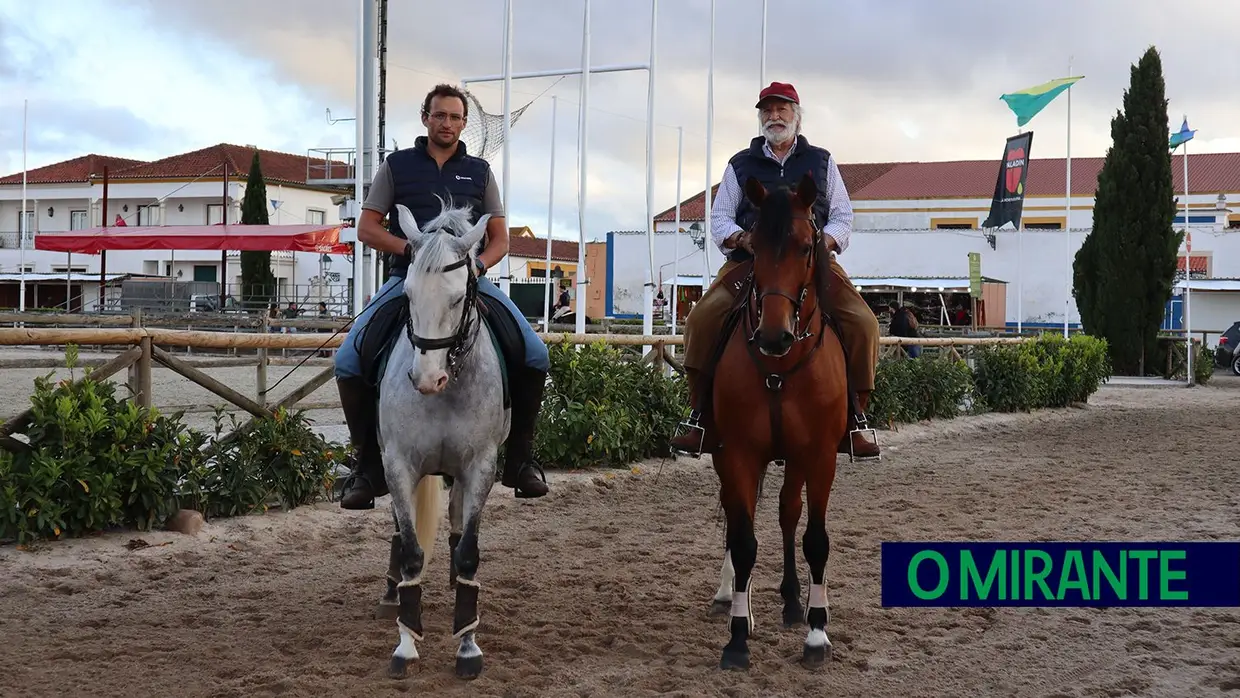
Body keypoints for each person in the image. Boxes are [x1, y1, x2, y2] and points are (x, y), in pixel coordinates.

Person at [332, 83, 551, 510]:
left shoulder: (480, 172)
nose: (447, 123)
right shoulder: (396, 167)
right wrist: (410, 251)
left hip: (467, 281)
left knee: (535, 354)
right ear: (425, 118)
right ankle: (366, 467)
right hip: (407, 280)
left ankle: (521, 461)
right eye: (439, 115)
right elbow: (368, 228)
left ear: (464, 123)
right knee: (347, 360)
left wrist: (478, 266)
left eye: (454, 117)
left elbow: (501, 239)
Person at [669, 81, 882, 459]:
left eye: (782, 109)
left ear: (797, 116)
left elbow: (843, 217)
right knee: (700, 321)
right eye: (767, 110)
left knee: (863, 324)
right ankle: (699, 415)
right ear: (760, 118)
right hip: (750, 261)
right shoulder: (740, 164)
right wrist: (741, 239)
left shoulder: (821, 161)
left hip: (810, 260)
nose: (774, 115)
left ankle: (857, 418)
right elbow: (719, 217)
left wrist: (823, 244)